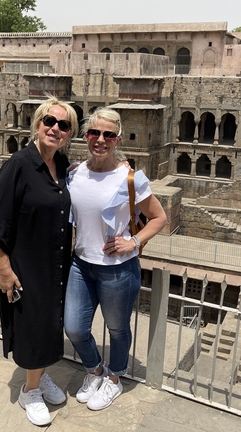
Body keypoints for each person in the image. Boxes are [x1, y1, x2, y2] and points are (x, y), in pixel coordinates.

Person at [65, 108, 166, 411]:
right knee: (74, 327)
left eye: (108, 135)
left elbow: (159, 218)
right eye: (94, 133)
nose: (100, 140)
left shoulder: (130, 178)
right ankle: (96, 370)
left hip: (118, 270)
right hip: (81, 264)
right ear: (85, 136)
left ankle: (114, 379)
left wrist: (133, 241)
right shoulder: (74, 173)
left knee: (117, 329)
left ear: (118, 139)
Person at [0, 96, 78, 426]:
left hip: (54, 263)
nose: (55, 128)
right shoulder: (19, 164)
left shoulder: (64, 167)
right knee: (32, 324)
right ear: (37, 125)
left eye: (63, 125)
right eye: (49, 122)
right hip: (26, 262)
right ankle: (30, 390)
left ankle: (39, 377)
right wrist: (4, 268)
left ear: (69, 133)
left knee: (50, 323)